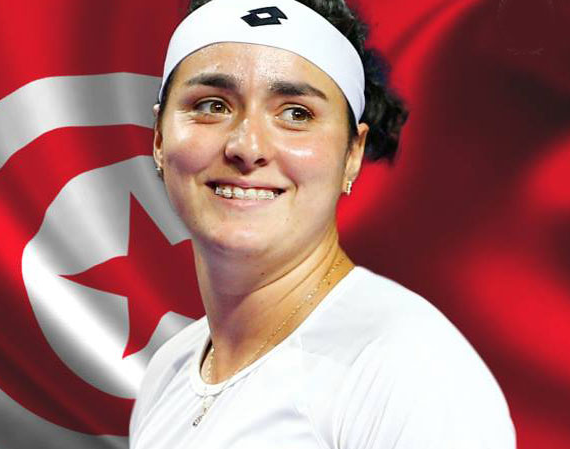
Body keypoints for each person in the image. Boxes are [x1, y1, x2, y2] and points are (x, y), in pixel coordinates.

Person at [129, 0, 516, 447]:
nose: (247, 146)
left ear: (352, 154)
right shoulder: (170, 369)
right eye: (212, 105)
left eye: (296, 113)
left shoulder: (413, 370)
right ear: (160, 138)